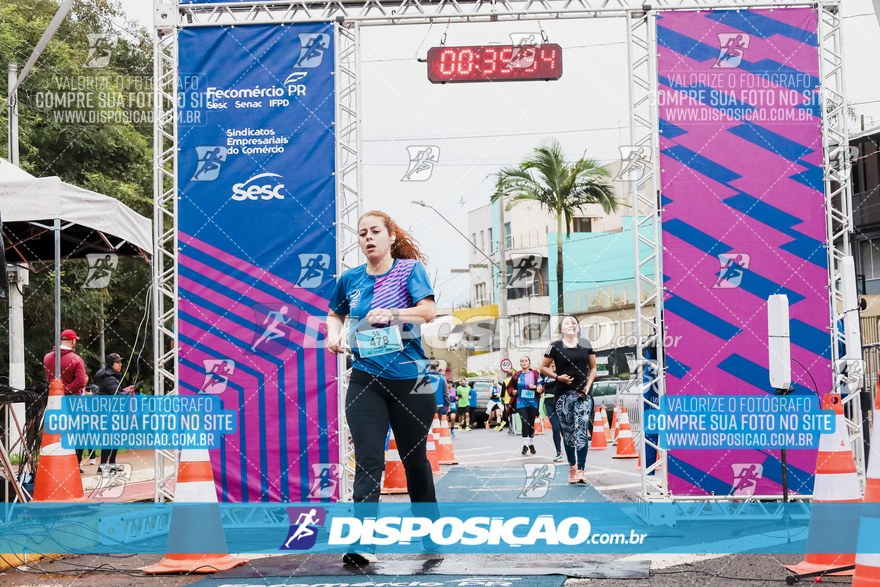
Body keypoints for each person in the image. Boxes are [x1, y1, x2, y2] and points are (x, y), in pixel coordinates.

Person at [327, 210, 438, 565]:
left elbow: (429, 312)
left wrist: (394, 314)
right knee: (369, 460)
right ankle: (363, 543)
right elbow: (335, 313)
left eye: (375, 231)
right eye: (362, 233)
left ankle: (429, 532)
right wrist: (333, 335)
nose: (368, 238)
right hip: (365, 380)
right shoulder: (350, 279)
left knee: (414, 462)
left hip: (412, 380)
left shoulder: (408, 271)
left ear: (391, 236)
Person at [540, 315, 597, 484]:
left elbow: (593, 367)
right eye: (567, 323)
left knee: (581, 432)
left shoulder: (586, 344)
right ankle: (571, 467)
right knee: (568, 434)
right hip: (563, 396)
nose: (571, 325)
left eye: (574, 323)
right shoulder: (555, 346)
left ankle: (581, 470)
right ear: (561, 329)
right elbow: (543, 367)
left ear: (578, 327)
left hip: (582, 395)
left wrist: (589, 383)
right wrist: (558, 378)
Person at [43, 329, 87, 470]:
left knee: (56, 434)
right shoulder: (76, 359)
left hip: (53, 402)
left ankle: (55, 466)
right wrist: (65, 390)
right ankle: (75, 465)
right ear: (73, 341)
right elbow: (80, 382)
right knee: (78, 434)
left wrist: (57, 391)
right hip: (73, 403)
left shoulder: (47, 358)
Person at [95, 353, 125, 474]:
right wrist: (127, 393)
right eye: (117, 363)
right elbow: (117, 396)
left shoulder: (113, 377)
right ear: (111, 364)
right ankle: (102, 466)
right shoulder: (109, 378)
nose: (120, 365)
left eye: (120, 362)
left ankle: (112, 464)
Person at [506, 356, 542, 455]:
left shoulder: (535, 374)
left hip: (533, 402)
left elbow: (541, 386)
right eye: (522, 361)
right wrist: (512, 391)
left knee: (531, 423)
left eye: (526, 361)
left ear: (529, 363)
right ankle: (525, 445)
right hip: (520, 401)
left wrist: (535, 387)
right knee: (524, 422)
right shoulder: (517, 375)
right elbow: (509, 386)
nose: (524, 362)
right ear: (520, 364)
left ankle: (531, 443)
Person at [543, 361, 564, 462]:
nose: (552, 362)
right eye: (550, 360)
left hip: (561, 401)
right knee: (555, 427)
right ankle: (558, 452)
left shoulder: (563, 371)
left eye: (554, 359)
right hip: (548, 402)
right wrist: (538, 387)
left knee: (564, 428)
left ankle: (571, 451)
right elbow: (540, 384)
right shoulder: (544, 372)